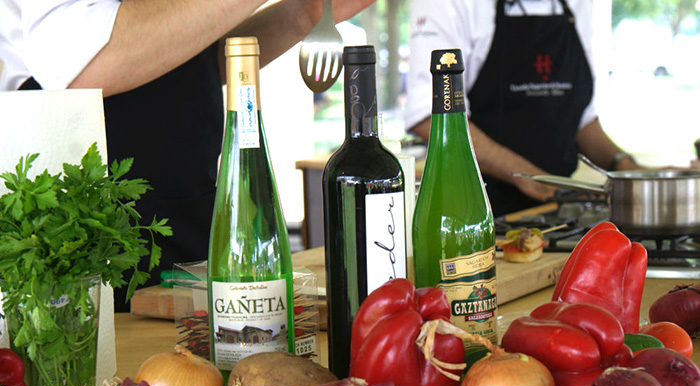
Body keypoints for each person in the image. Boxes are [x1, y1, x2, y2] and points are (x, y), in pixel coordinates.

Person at [0, 0, 374, 310]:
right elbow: (81, 61)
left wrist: (302, 14)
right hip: (83, 230)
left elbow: (190, 55)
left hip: (187, 205)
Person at [405, 0, 642, 217]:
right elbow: (431, 114)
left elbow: (581, 120)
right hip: (473, 214)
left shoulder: (577, 4)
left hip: (554, 213)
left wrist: (625, 166)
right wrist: (531, 178)